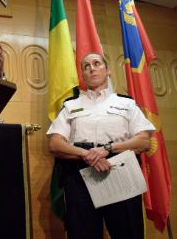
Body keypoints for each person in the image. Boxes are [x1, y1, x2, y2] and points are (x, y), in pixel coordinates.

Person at [46, 52, 155, 239]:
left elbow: (144, 141)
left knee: (128, 233)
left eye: (97, 63)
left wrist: (107, 150)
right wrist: (88, 155)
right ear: (83, 74)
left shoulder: (126, 103)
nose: (92, 68)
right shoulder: (71, 106)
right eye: (86, 66)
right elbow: (55, 144)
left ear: (108, 71)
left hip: (120, 170)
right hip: (80, 174)